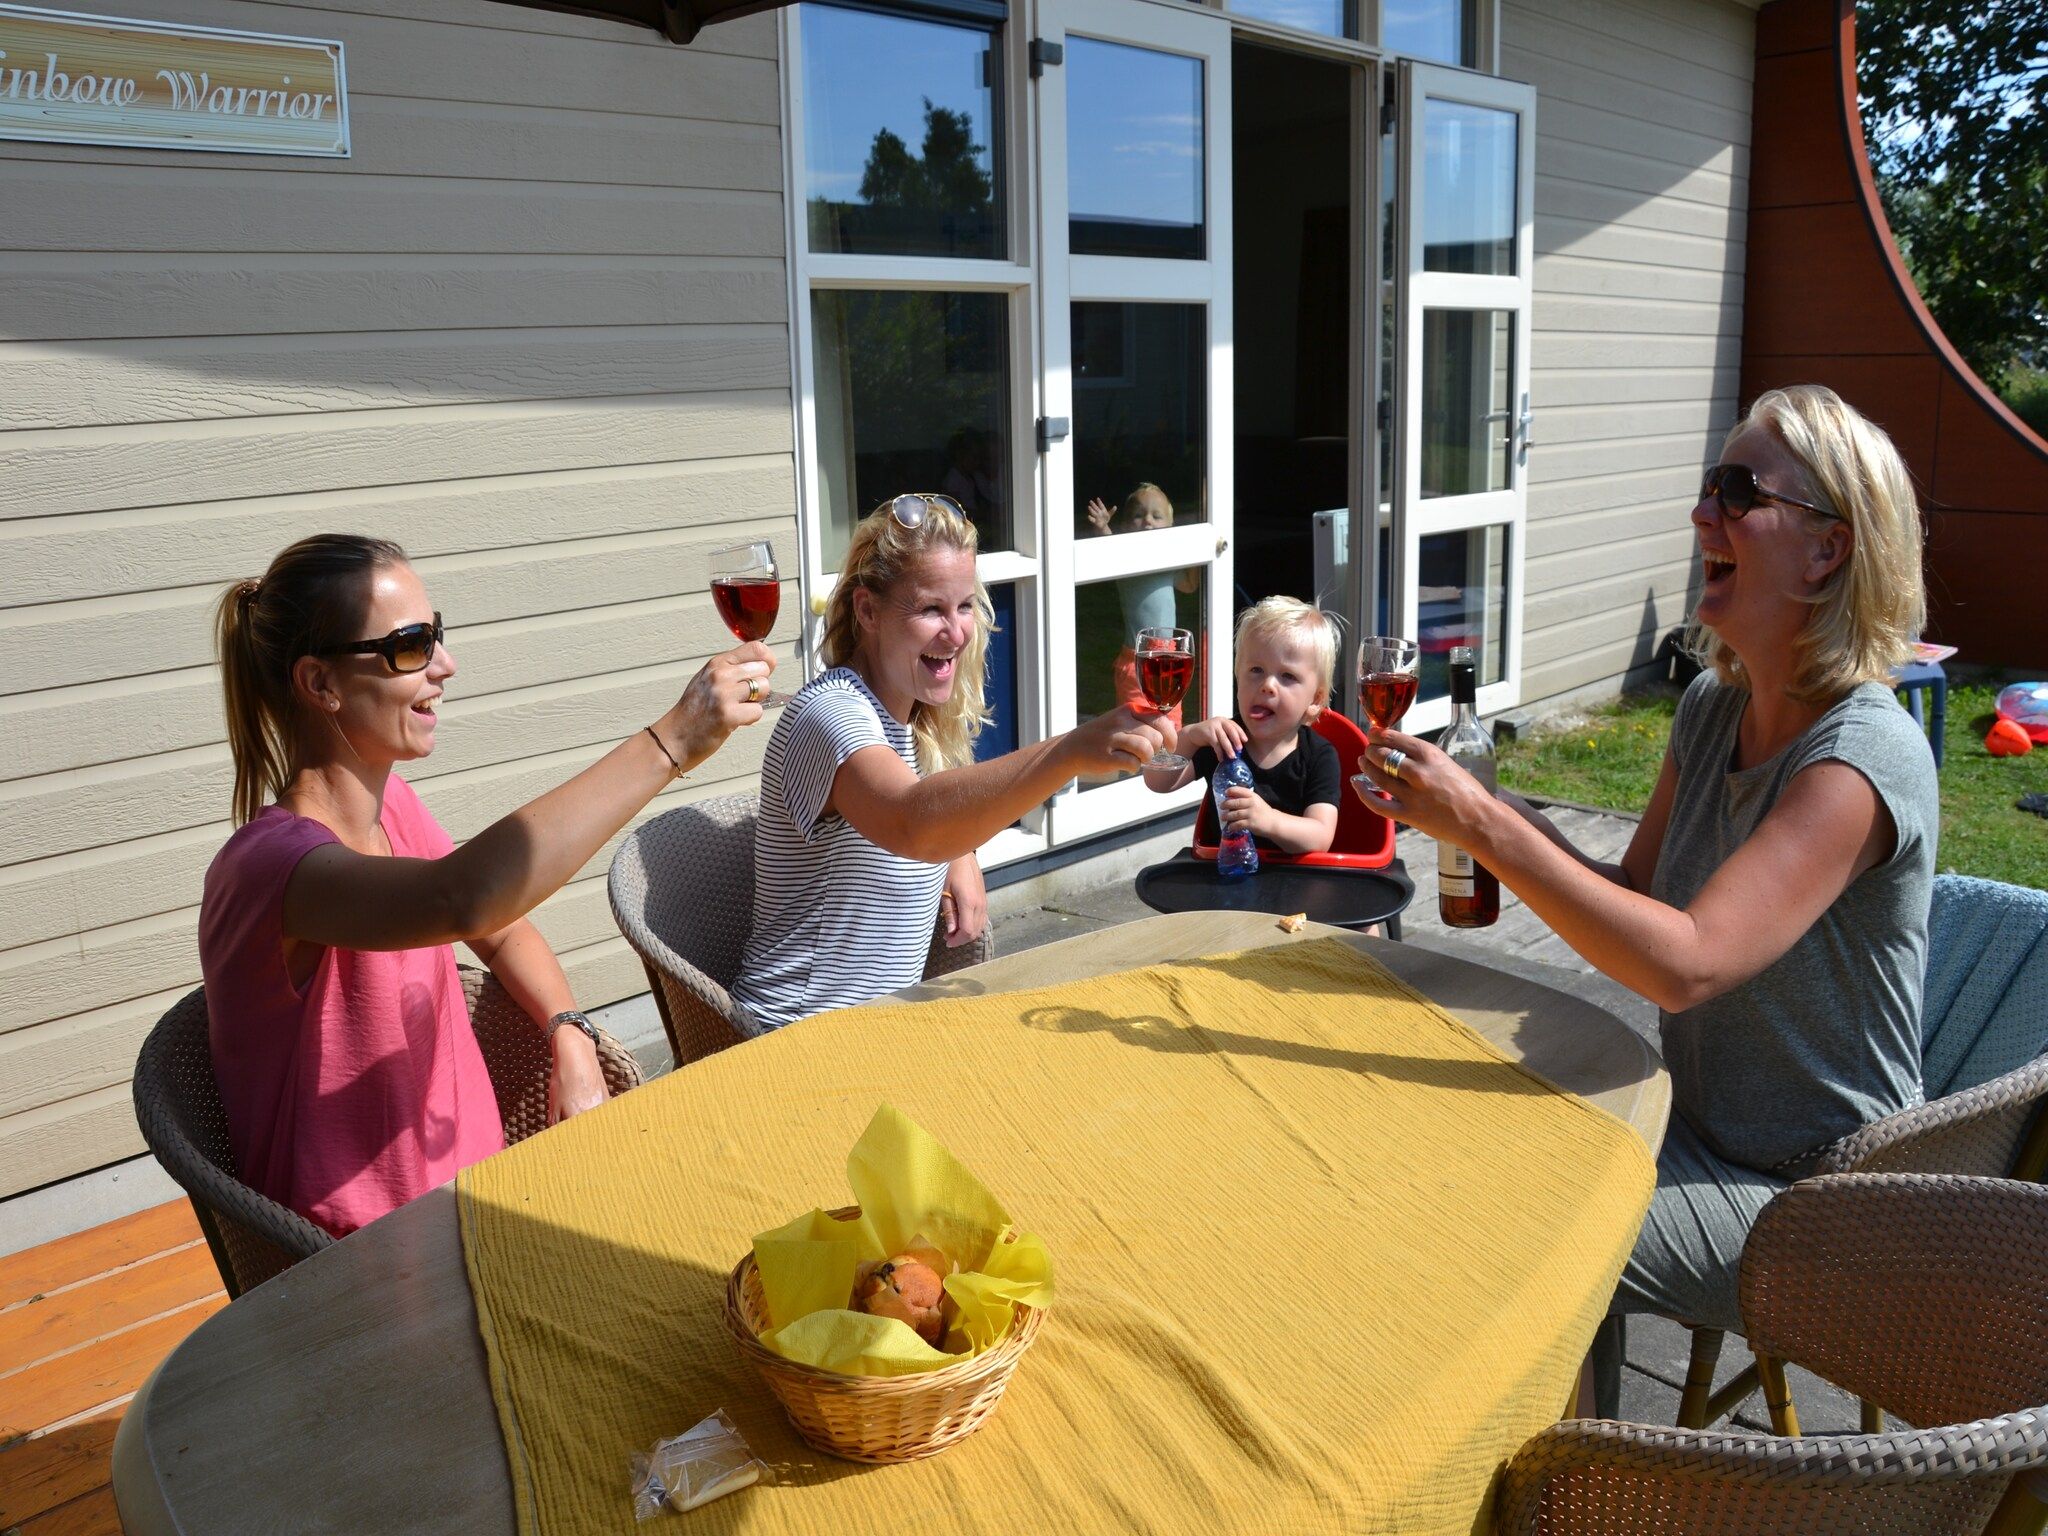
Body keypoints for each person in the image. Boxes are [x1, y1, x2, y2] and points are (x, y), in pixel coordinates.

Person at [1354, 385, 1937, 1379]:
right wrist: (1489, 825)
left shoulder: (1859, 759)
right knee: (1455, 1140)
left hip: (1817, 1198)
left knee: (1531, 1237)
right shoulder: (1714, 705)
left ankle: (1558, 1483)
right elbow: (1634, 890)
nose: (1698, 512)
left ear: (1824, 549)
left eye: (1734, 491)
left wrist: (1487, 824)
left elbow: (1685, 965)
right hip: (1689, 1124)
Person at [200, 534, 773, 1236]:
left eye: (436, 634)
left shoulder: (394, 811)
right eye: (409, 646)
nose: (445, 664)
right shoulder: (271, 867)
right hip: (365, 1258)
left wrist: (569, 1031)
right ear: (320, 684)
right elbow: (464, 899)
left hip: (490, 1195)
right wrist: (672, 742)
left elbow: (501, 928)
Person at [730, 493, 1173, 1034]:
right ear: (867, 611)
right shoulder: (832, 714)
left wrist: (959, 850)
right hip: (792, 1038)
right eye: (930, 609)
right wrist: (1070, 751)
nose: (957, 632)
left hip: (879, 1033)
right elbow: (914, 821)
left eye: (964, 606)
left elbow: (932, 812)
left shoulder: (906, 720)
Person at [1146, 596, 1341, 857]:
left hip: (1294, 883)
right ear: (1238, 675)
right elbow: (1158, 781)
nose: (1267, 685)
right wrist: (1191, 737)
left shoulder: (1319, 756)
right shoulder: (1223, 740)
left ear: (1315, 700)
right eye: (1256, 669)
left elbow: (1320, 837)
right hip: (1223, 881)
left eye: (1287, 676)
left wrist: (1268, 820)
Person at [1085, 483, 1202, 733]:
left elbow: (1190, 584)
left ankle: (1164, 767)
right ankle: (1135, 771)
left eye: (1156, 516)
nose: (1147, 521)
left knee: (1171, 725)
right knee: (1135, 728)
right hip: (1137, 661)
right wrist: (1103, 528)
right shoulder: (1127, 560)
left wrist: (1196, 547)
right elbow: (1109, 552)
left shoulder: (1168, 564)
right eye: (1138, 515)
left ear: (1170, 528)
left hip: (1171, 658)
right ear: (1125, 527)